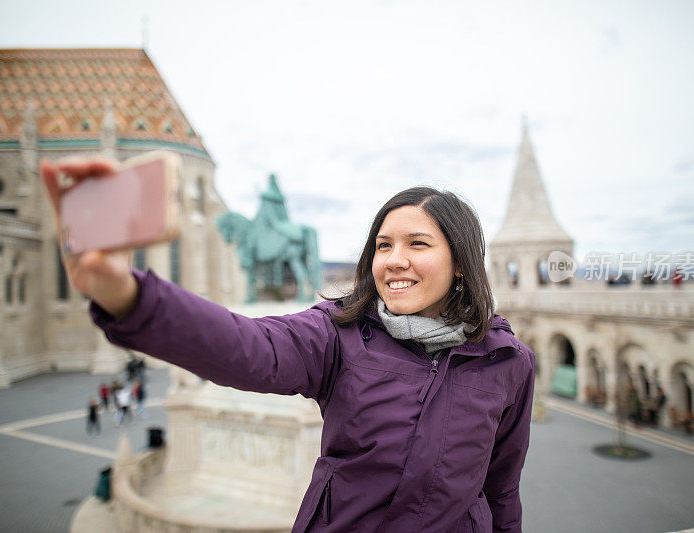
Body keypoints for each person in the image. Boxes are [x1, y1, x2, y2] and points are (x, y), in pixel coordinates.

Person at [40, 158, 536, 533]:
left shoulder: (506, 362)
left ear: (462, 263)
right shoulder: (339, 334)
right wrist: (125, 293)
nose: (393, 260)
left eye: (418, 244)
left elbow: (500, 488)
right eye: (383, 245)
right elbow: (247, 345)